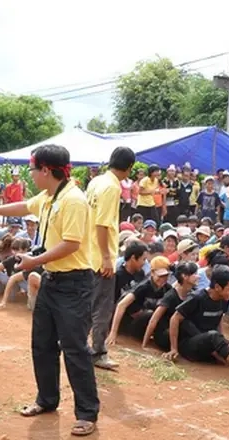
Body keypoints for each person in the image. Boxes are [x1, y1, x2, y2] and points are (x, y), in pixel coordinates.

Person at [0, 145, 99, 435]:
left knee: (75, 348)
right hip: (53, 281)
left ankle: (87, 413)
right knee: (42, 344)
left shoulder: (73, 200)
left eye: (31, 169)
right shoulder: (50, 196)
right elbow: (25, 206)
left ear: (45, 170)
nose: (29, 175)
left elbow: (71, 244)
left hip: (74, 284)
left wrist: (33, 261)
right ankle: (47, 399)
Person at [164, 266, 229, 383]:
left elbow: (219, 317)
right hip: (192, 347)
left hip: (213, 344)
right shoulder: (197, 297)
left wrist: (223, 343)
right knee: (213, 336)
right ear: (217, 287)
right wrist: (173, 348)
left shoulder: (225, 299)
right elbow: (175, 318)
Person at [87, 146, 136, 370]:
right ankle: (97, 351)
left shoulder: (96, 181)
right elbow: (102, 224)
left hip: (88, 253)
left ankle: (79, 344)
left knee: (89, 304)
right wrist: (107, 257)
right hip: (100, 256)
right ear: (129, 168)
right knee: (102, 307)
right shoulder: (111, 188)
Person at [107, 256, 172, 346]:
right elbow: (121, 305)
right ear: (152, 272)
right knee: (149, 314)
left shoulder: (167, 288)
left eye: (166, 276)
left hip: (141, 322)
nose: (162, 279)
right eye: (160, 276)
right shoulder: (143, 286)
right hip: (127, 322)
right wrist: (113, 333)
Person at [142, 261, 199, 350]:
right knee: (185, 324)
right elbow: (154, 319)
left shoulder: (193, 294)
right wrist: (144, 345)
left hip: (180, 333)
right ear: (185, 276)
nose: (198, 277)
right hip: (165, 335)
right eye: (194, 274)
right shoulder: (171, 296)